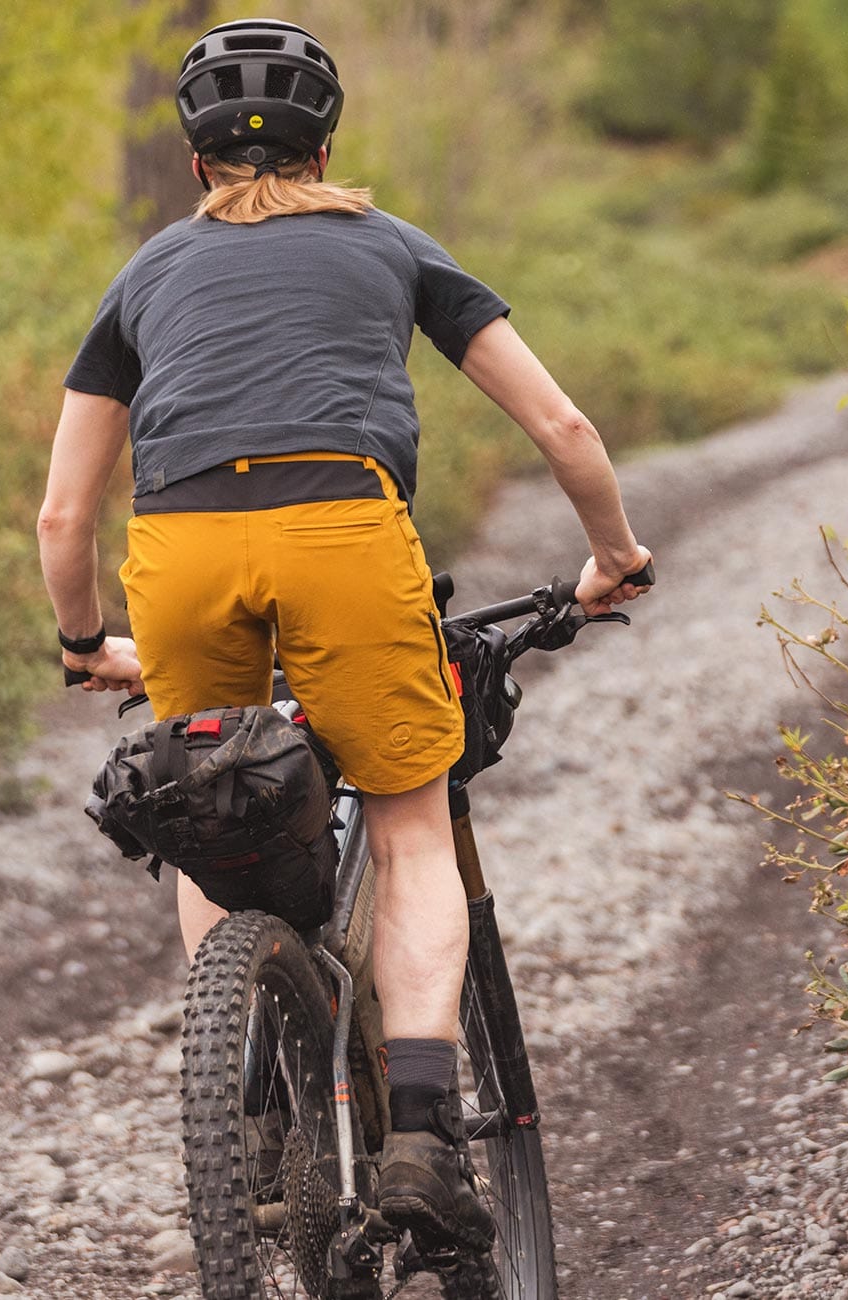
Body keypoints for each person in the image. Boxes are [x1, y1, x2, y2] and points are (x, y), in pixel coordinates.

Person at [37, 17, 652, 1251]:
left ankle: (255, 1108)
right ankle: (423, 1134)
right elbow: (569, 431)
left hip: (182, 549)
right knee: (410, 817)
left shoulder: (146, 275)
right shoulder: (396, 246)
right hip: (344, 534)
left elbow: (63, 512)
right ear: (327, 144)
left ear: (196, 157)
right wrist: (615, 559)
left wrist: (84, 640)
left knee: (212, 806)